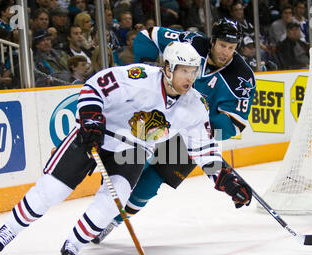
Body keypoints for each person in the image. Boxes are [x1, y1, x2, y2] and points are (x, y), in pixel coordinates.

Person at [0, 41, 252, 255]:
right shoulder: (140, 77)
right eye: (184, 71)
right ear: (168, 68)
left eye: (193, 72)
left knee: (115, 199)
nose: (189, 78)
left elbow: (203, 149)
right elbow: (94, 88)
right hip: (99, 134)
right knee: (51, 191)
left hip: (134, 149)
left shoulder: (195, 105)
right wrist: (91, 121)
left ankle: (75, 243)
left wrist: (226, 180)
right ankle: (9, 229)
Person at [92, 18, 256, 243]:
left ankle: (113, 222)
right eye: (222, 45)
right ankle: (98, 216)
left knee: (150, 184)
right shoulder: (192, 44)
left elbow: (233, 125)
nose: (226, 52)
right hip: (156, 119)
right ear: (213, 41)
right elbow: (147, 36)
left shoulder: (242, 77)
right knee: (126, 168)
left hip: (189, 137)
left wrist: (201, 121)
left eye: (232, 47)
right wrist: (150, 71)